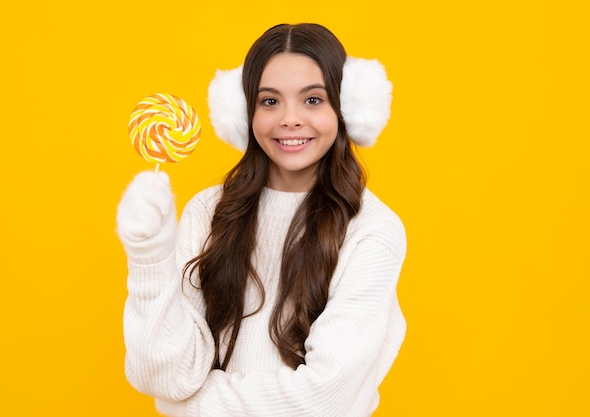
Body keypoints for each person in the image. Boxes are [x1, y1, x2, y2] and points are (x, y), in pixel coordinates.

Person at [116, 23, 407, 417]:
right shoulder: (208, 212)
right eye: (269, 101)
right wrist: (149, 256)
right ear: (244, 113)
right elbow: (165, 378)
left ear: (347, 107)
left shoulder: (372, 230)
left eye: (313, 100)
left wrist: (187, 406)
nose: (289, 119)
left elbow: (323, 400)